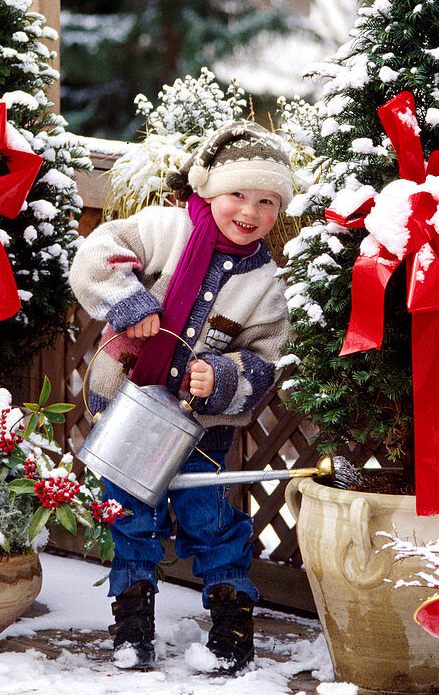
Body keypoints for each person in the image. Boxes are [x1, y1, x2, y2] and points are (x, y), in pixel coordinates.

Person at [69, 119, 292, 674]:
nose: (250, 211)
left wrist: (222, 377)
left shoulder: (265, 283)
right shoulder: (162, 228)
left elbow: (265, 359)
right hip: (127, 410)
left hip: (202, 430)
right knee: (129, 515)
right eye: (237, 193)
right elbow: (96, 254)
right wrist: (128, 302)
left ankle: (231, 625)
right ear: (208, 187)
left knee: (210, 517)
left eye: (267, 200)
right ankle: (133, 625)